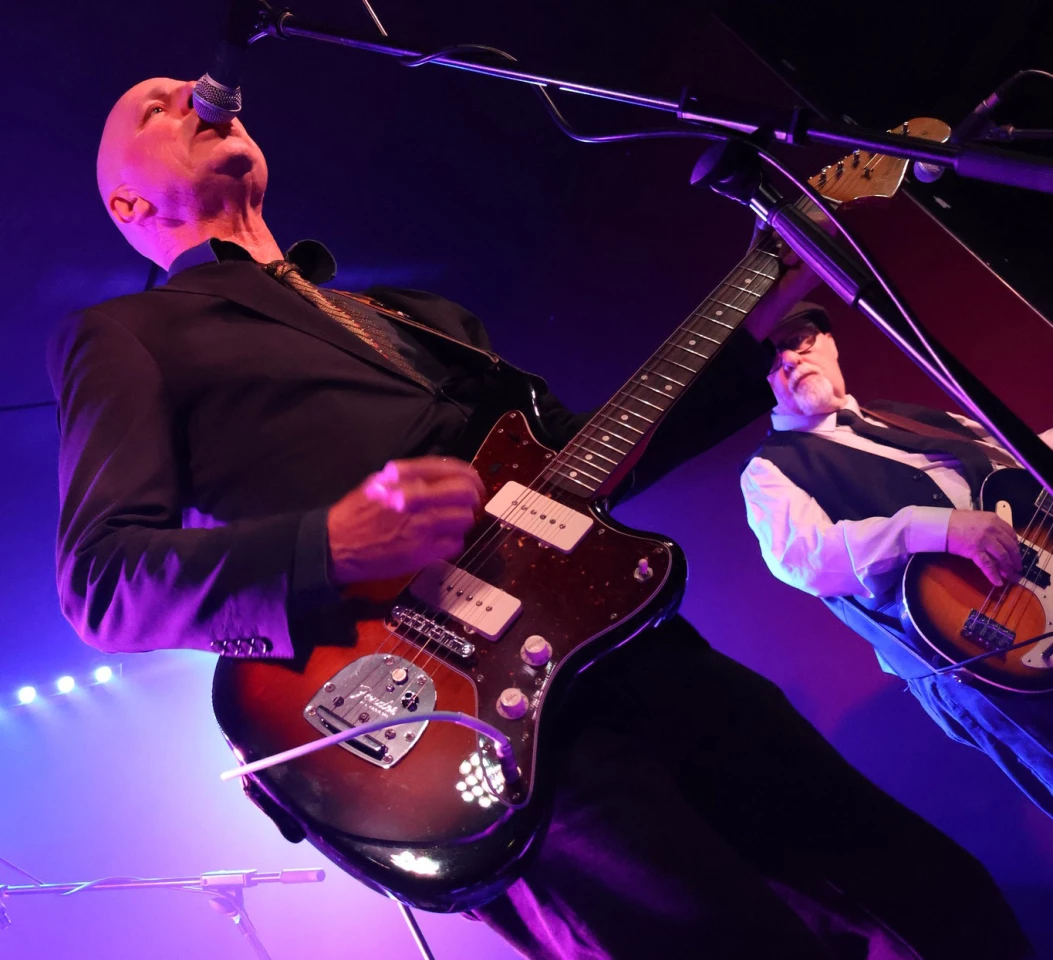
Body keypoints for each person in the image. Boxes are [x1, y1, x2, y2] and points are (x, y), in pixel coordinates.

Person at [48, 76, 1035, 959]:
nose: (196, 99)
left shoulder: (416, 316)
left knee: (938, 898)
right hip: (458, 719)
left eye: (195, 90)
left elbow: (583, 459)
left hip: (634, 653)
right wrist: (332, 544)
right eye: (153, 106)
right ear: (128, 203)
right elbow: (102, 583)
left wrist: (758, 326)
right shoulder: (129, 335)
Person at [740, 301, 1053, 817]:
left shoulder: (906, 416)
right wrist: (938, 529)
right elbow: (803, 558)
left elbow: (1016, 467)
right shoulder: (768, 470)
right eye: (771, 358)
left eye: (800, 340)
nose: (791, 360)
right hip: (980, 646)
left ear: (831, 342)